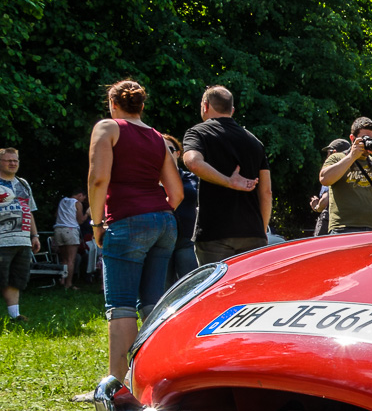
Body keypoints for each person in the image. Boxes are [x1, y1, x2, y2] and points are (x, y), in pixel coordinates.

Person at [87, 79, 183, 379]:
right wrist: (156, 213)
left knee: (121, 305)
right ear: (142, 106)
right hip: (164, 222)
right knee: (153, 302)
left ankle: (119, 385)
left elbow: (98, 179)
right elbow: (176, 193)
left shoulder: (108, 128)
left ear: (113, 104)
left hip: (127, 219)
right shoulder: (157, 137)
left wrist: (97, 223)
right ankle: (156, 374)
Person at [181, 85, 272, 264]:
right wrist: (259, 231)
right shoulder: (255, 142)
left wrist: (228, 181)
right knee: (249, 291)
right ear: (232, 110)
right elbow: (267, 192)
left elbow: (192, 162)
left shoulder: (198, 132)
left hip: (214, 234)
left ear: (205, 106)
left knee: (217, 291)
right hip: (252, 234)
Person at [318, 118, 372, 233]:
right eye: (365, 139)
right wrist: (352, 157)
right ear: (352, 138)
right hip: (344, 228)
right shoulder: (338, 158)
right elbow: (324, 179)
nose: (369, 143)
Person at [0, 147, 40, 322]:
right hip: (1, 240)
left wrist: (35, 235)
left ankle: (14, 315)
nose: (13, 163)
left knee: (16, 279)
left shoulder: (23, 183)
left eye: (15, 160)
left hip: (22, 240)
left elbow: (29, 211)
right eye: (8, 160)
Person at [163, 134, 199, 285]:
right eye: (160, 148)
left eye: (169, 149)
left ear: (178, 153)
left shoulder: (193, 178)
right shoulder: (148, 179)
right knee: (161, 290)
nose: (165, 152)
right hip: (160, 241)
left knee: (191, 286)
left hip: (186, 239)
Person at [53, 188, 87, 289]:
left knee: (64, 259)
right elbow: (80, 220)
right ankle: (69, 284)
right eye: (84, 198)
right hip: (70, 230)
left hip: (58, 230)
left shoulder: (62, 200)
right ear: (80, 195)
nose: (83, 201)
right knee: (71, 260)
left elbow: (56, 215)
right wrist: (87, 214)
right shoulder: (77, 203)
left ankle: (62, 280)